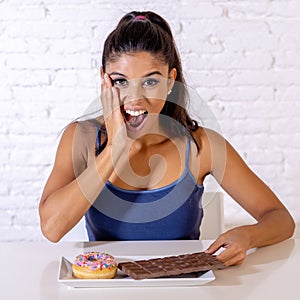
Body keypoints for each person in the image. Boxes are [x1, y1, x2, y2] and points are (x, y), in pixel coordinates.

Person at [39, 11, 295, 266]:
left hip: (182, 288)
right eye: (120, 82)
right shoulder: (81, 139)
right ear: (104, 80)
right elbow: (52, 229)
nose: (135, 98)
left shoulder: (202, 146)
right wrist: (115, 148)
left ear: (171, 81)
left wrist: (247, 236)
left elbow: (281, 219)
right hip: (109, 289)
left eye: (150, 81)